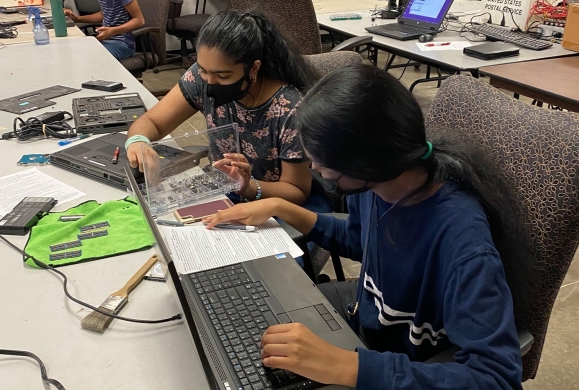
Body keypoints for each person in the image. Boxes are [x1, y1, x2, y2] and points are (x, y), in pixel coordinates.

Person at [204, 64, 534, 390]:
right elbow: (359, 239)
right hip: (366, 320)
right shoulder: (378, 183)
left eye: (324, 163)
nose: (316, 167)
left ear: (365, 159)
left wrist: (349, 366)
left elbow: (496, 377)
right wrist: (280, 208)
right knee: (249, 325)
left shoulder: (462, 242)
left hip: (407, 365)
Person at [125, 11, 331, 262]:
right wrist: (138, 141)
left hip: (284, 202)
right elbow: (152, 122)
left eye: (223, 76)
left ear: (253, 68)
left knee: (265, 273)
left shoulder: (290, 108)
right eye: (203, 71)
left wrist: (248, 186)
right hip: (228, 190)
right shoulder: (199, 78)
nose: (209, 83)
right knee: (176, 250)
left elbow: (296, 190)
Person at [64, 0, 145, 60]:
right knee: (72, 49)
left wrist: (112, 31)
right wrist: (77, 19)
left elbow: (139, 20)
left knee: (85, 56)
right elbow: (104, 14)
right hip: (106, 41)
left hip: (123, 43)